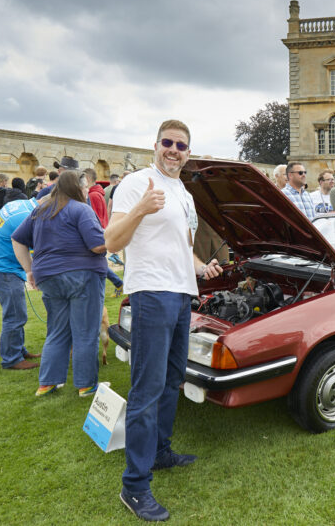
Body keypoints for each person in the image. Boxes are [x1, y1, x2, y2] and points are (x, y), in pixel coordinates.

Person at [104, 119, 222, 522]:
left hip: (181, 295)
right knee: (146, 389)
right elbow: (112, 241)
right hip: (151, 294)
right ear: (155, 145)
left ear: (188, 152)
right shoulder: (137, 184)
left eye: (182, 145)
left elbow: (181, 247)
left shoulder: (184, 191)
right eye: (168, 143)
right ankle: (134, 486)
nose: (174, 150)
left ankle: (160, 452)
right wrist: (140, 209)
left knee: (173, 379)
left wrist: (201, 266)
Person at [11, 170, 107, 398]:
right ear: (78, 188)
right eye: (84, 187)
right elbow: (97, 246)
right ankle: (86, 385)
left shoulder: (40, 209)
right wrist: (112, 237)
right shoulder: (81, 209)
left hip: (49, 277)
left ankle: (48, 383)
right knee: (85, 332)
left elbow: (17, 239)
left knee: (57, 331)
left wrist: (29, 270)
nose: (86, 191)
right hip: (83, 276)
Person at [0, 197, 41, 370]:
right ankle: (12, 359)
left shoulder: (18, 205)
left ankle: (19, 350)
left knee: (15, 313)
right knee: (15, 315)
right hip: (3, 271)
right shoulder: (28, 216)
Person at [83, 168, 124, 294]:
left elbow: (93, 217)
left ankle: (117, 282)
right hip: (101, 231)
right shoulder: (97, 193)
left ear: (88, 179)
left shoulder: (93, 195)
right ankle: (117, 283)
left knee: (95, 262)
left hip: (97, 232)